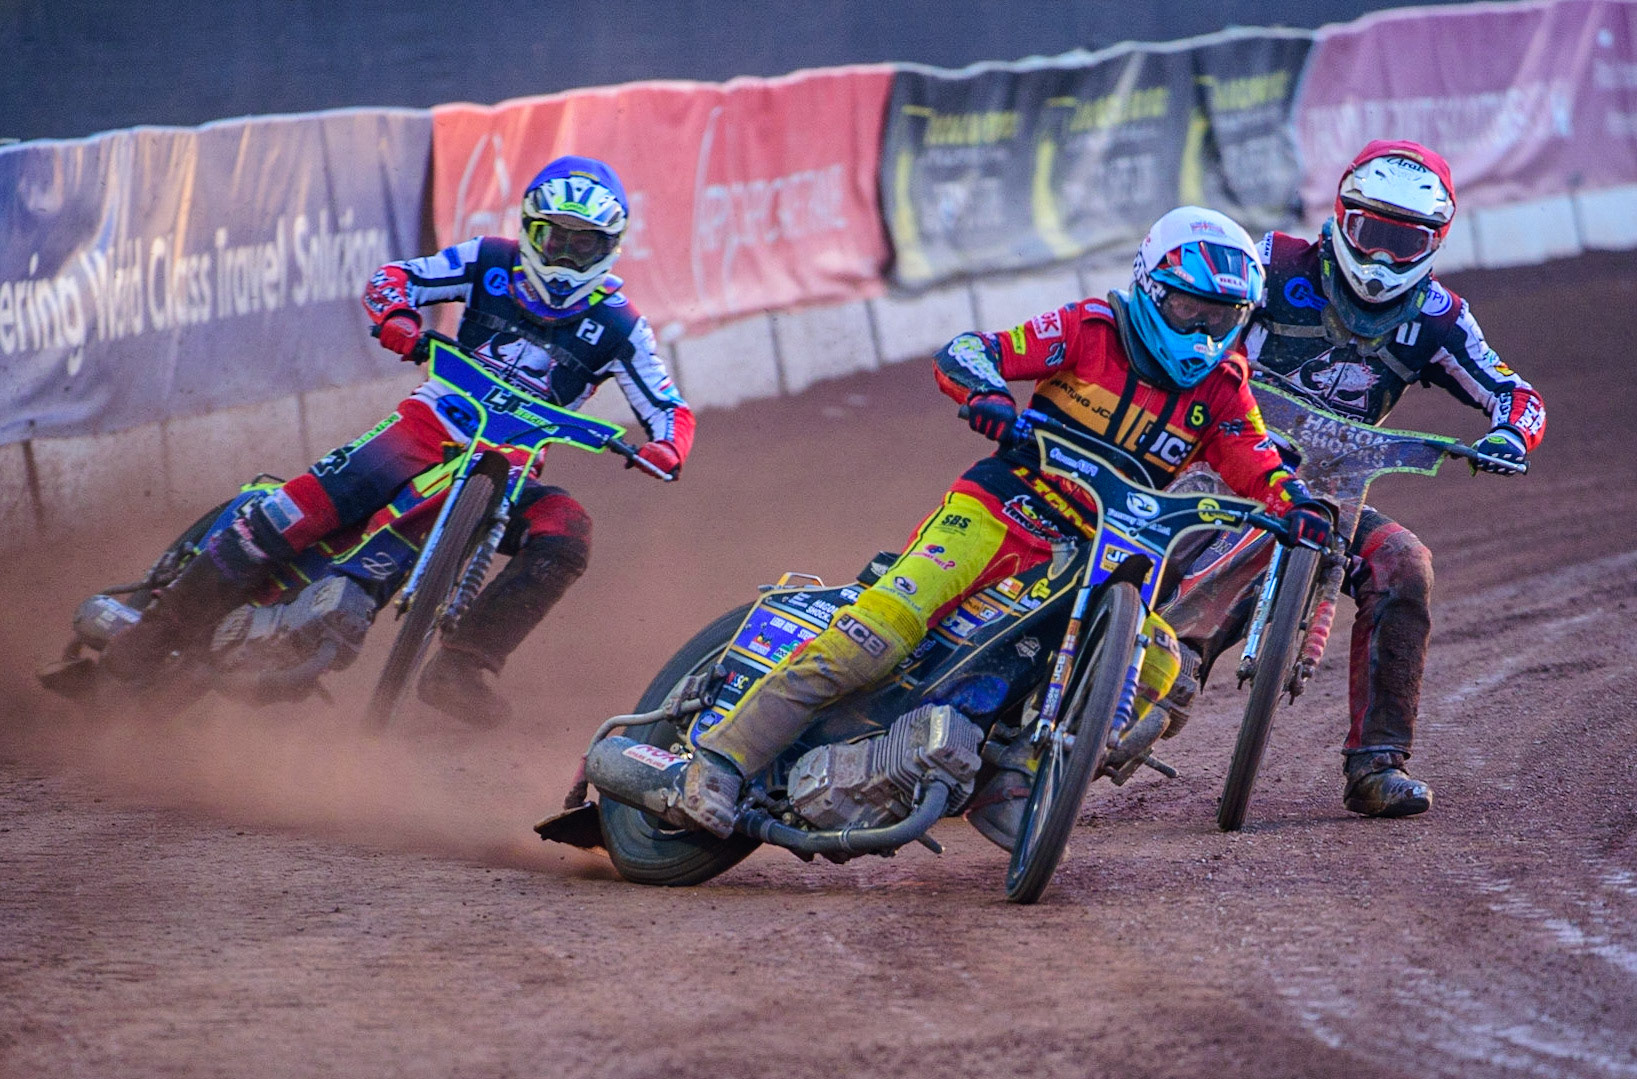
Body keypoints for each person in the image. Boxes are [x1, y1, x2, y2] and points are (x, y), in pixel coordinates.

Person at [674, 206, 1333, 842]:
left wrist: (1294, 503)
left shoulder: (1223, 384)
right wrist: (986, 393)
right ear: (1149, 287)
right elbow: (970, 350)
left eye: (1221, 319)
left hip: (1102, 553)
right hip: (1001, 510)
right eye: (1189, 309)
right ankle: (719, 762)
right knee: (875, 637)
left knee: (1159, 663)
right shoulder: (1091, 328)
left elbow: (1255, 459)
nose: (1201, 335)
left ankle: (1013, 777)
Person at [99, 155, 695, 726]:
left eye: (581, 242)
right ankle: (154, 634)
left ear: (609, 247)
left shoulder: (621, 326)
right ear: (529, 230)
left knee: (567, 532)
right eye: (552, 237)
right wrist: (397, 318)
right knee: (291, 515)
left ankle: (462, 667)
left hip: (509, 471)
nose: (563, 254)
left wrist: (666, 447)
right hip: (423, 428)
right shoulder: (489, 261)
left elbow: (667, 405)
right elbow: (398, 279)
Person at [1223, 139, 1545, 817]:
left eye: (1402, 243)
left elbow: (1514, 393)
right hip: (1214, 466)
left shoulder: (1437, 320)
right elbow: (1190, 313)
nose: (1378, 259)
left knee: (1404, 565)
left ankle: (1375, 763)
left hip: (1331, 494)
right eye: (1369, 233)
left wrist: (1509, 434)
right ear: (1341, 217)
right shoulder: (1270, 265)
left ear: (1432, 243)